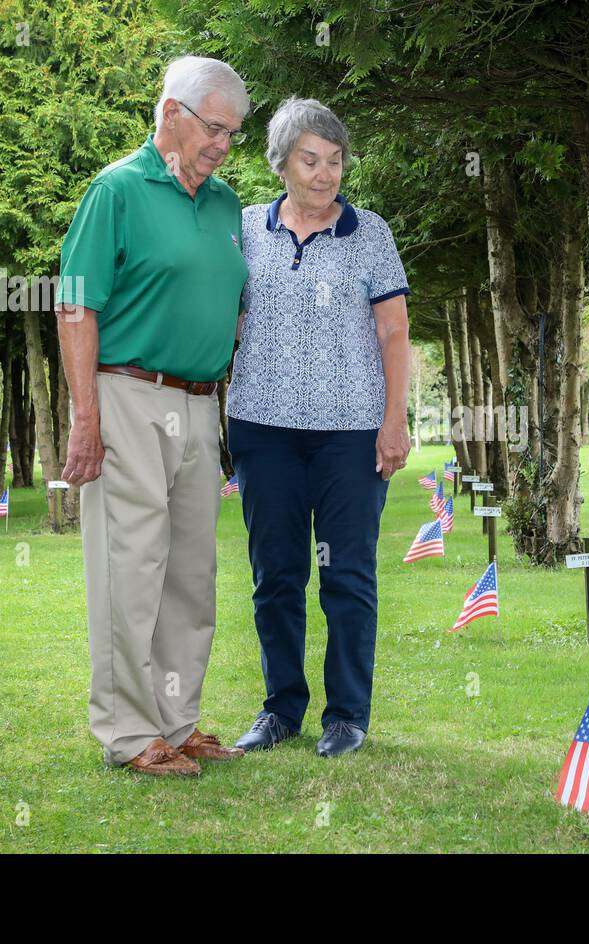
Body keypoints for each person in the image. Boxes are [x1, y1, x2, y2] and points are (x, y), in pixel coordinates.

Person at [55, 56, 251, 777]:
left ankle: (178, 720)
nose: (224, 144)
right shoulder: (116, 190)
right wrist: (85, 418)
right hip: (128, 397)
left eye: (234, 133)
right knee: (131, 570)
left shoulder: (227, 203)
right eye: (214, 128)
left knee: (191, 577)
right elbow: (76, 304)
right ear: (171, 113)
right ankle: (130, 732)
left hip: (201, 407)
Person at [229, 97, 412, 758]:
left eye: (335, 160)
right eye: (310, 159)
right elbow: (227, 317)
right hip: (263, 430)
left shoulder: (371, 233)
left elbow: (393, 332)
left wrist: (394, 422)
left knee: (347, 578)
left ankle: (346, 717)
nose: (324, 173)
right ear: (281, 162)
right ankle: (280, 709)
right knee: (276, 575)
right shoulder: (243, 229)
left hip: (351, 434)